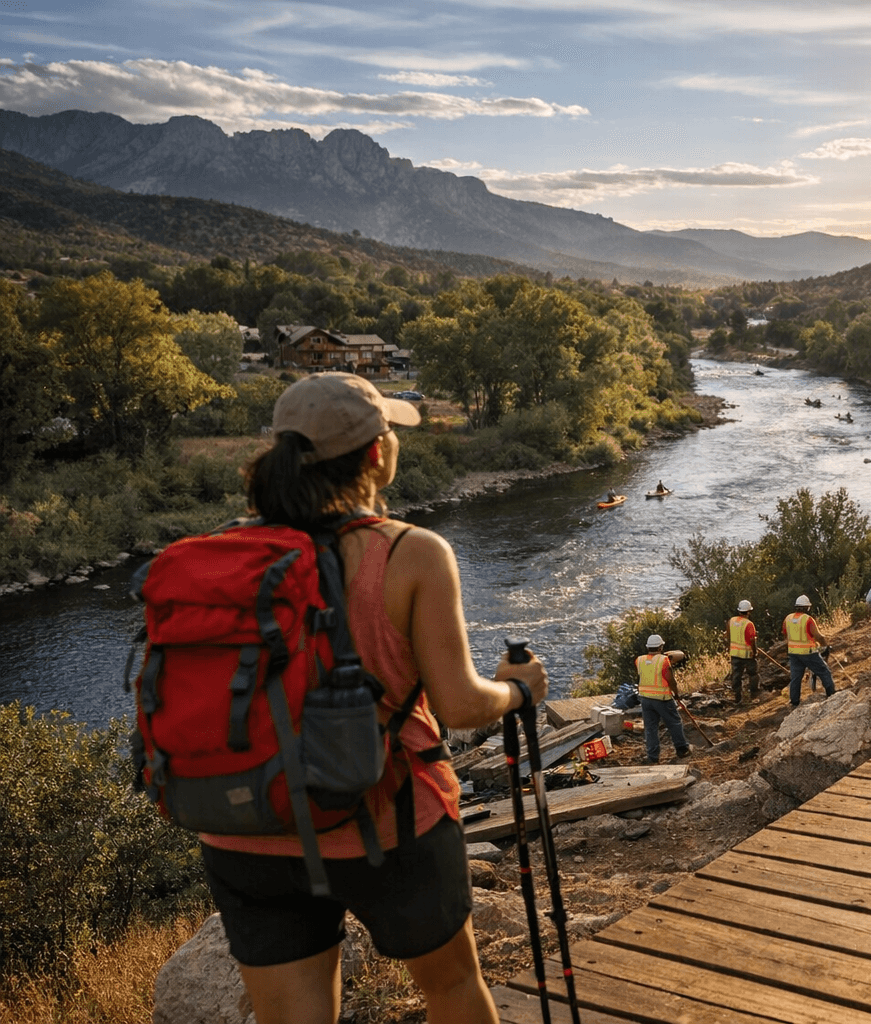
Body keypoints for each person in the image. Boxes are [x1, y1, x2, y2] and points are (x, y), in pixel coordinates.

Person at [201, 372, 549, 1024]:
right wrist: (517, 691)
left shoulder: (219, 551)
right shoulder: (412, 552)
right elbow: (459, 707)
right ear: (375, 454)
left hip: (247, 826)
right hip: (388, 817)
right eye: (389, 430)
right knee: (452, 988)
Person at [635, 634, 690, 764]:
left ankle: (652, 757)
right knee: (674, 723)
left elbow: (649, 668)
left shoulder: (639, 660)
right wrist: (676, 694)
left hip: (645, 699)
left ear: (648, 647)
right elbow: (670, 680)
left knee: (650, 729)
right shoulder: (664, 660)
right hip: (662, 699)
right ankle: (682, 749)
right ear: (660, 647)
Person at [782, 594, 835, 708]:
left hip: (793, 653)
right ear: (807, 607)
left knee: (796, 678)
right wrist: (825, 646)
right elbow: (818, 636)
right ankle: (832, 695)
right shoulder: (807, 619)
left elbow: (785, 634)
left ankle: (794, 702)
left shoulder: (788, 618)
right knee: (824, 672)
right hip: (808, 653)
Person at [726, 599, 759, 703]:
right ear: (748, 612)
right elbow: (752, 640)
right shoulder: (749, 624)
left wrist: (729, 648)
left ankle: (737, 698)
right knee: (753, 674)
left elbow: (728, 636)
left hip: (735, 653)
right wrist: (755, 651)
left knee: (736, 675)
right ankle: (754, 695)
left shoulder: (731, 621)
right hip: (747, 654)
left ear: (739, 610)